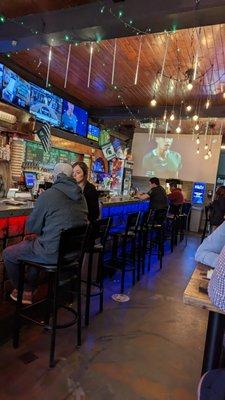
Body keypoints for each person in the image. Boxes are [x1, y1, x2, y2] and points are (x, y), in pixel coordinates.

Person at [3, 163, 88, 304]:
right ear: (71, 176)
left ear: (56, 176)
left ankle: (23, 290)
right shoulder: (82, 197)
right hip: (73, 255)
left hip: (53, 254)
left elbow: (32, 226)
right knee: (35, 244)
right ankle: (29, 290)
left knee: (8, 254)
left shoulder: (49, 195)